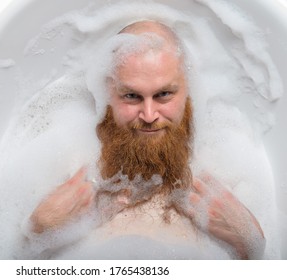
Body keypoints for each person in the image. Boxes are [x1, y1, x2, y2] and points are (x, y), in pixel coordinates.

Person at [26, 20, 265, 259]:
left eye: (164, 94)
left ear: (187, 90)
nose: (149, 116)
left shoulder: (225, 161)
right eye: (131, 96)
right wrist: (38, 230)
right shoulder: (67, 158)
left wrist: (250, 240)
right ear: (108, 92)